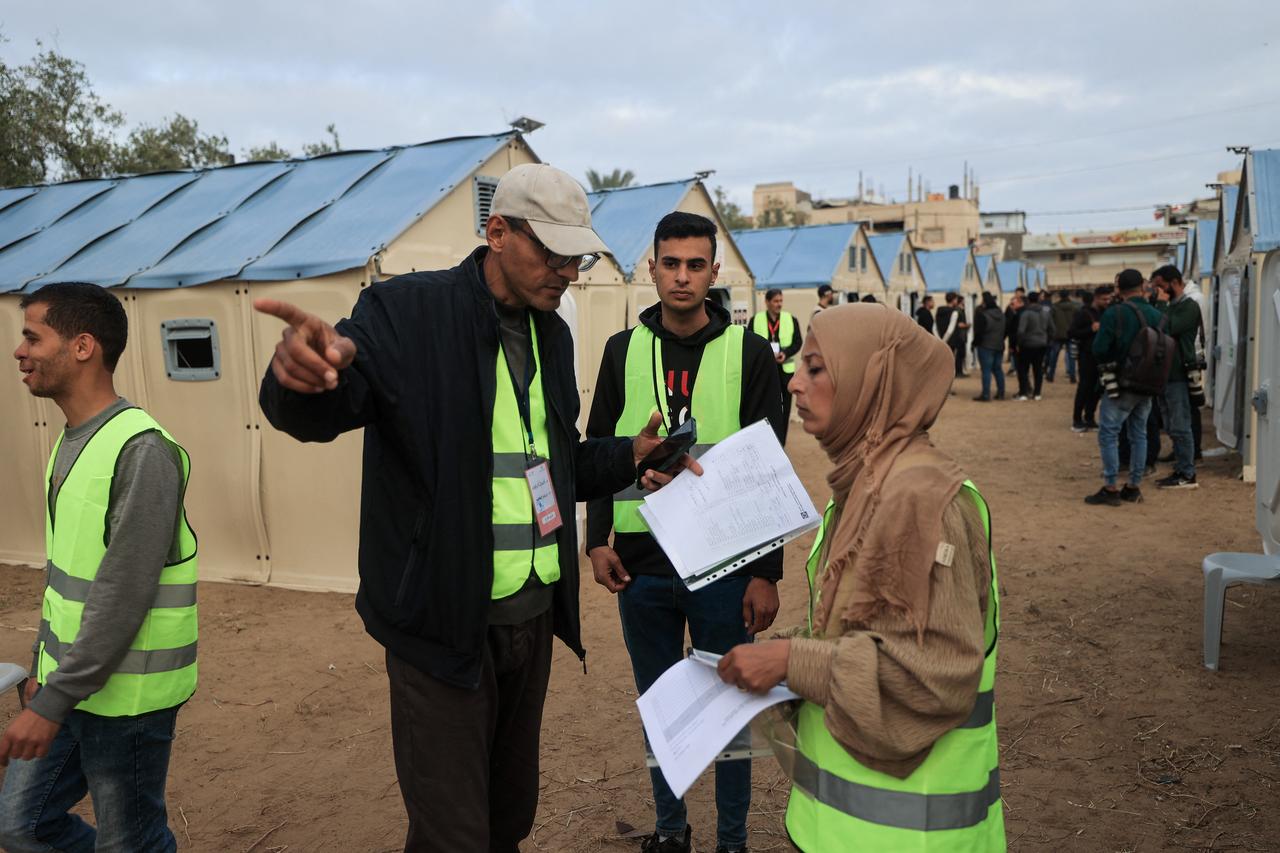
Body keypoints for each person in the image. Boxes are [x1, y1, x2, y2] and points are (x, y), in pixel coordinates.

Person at [255, 163, 695, 852]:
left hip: (531, 611)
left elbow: (549, 464)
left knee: (507, 817)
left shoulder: (552, 333)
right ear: (496, 231)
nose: (565, 271)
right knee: (452, 832)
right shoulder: (405, 312)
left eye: (574, 256)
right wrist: (301, 381)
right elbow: (327, 405)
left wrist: (630, 454)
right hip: (443, 622)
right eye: (549, 253)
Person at [714, 304, 1005, 852]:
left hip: (909, 836)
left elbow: (933, 675)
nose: (795, 384)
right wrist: (789, 667)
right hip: (843, 828)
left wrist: (788, 662)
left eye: (817, 369)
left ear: (875, 382)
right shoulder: (868, 486)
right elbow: (864, 635)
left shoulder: (920, 501)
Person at [586, 212, 783, 853]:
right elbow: (598, 450)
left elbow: (768, 471)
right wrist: (597, 540)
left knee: (731, 708)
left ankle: (732, 841)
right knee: (659, 709)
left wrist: (766, 573)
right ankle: (671, 832)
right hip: (642, 565)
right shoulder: (621, 352)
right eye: (671, 263)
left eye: (696, 264)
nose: (682, 276)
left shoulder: (749, 354)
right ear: (652, 268)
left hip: (725, 568)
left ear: (714, 273)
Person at [0, 283, 198, 853]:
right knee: (22, 825)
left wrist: (52, 701)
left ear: (83, 346)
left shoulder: (142, 450)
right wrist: (43, 668)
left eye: (33, 337)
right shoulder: (72, 440)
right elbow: (67, 577)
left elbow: (122, 593)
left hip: (127, 698)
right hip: (69, 683)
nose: (20, 351)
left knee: (128, 843)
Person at [1085, 268, 1163, 506]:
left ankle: (1110, 487)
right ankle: (1133, 486)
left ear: (1119, 289)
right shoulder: (1156, 314)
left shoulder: (1114, 313)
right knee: (1139, 433)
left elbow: (1099, 348)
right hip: (1148, 383)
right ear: (1142, 286)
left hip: (1122, 382)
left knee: (1109, 433)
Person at [1150, 265, 1202, 489]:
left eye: (1160, 286)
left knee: (1181, 426)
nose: (1157, 290)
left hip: (1179, 374)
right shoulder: (1172, 306)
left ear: (1173, 282)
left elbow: (1165, 328)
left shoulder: (1189, 307)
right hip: (1165, 375)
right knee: (1171, 425)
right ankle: (1180, 468)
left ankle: (1187, 474)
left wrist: (1160, 303)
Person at [751, 289, 802, 444]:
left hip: (785, 370)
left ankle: (781, 443)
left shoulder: (791, 319)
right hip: (765, 370)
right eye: (775, 301)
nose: (779, 304)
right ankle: (767, 442)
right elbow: (750, 343)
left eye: (781, 301)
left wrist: (785, 353)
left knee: (784, 410)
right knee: (767, 405)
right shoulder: (756, 319)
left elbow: (797, 342)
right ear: (767, 302)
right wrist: (766, 356)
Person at [1069, 285, 1112, 431]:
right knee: (1084, 387)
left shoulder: (1108, 313)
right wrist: (1090, 329)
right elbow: (1072, 332)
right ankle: (1077, 419)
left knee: (1097, 388)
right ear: (1096, 298)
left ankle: (1089, 417)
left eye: (1109, 298)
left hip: (1101, 356)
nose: (1107, 301)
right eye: (1104, 299)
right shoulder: (1083, 313)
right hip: (1086, 355)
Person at [1015, 291, 1051, 400]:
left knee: (1023, 369)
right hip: (1041, 344)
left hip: (1027, 344)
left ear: (1029, 300)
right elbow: (1052, 329)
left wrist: (1019, 343)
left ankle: (1023, 393)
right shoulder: (1046, 313)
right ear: (1039, 300)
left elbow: (1021, 331)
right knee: (1038, 369)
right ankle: (1037, 393)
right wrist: (1047, 340)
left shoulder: (1026, 313)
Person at [972, 291, 1007, 401]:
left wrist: (974, 344)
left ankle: (986, 394)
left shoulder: (983, 315)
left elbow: (979, 333)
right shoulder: (1001, 314)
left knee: (986, 371)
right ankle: (1001, 393)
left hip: (986, 346)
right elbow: (1006, 329)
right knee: (998, 370)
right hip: (999, 345)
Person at [1046, 289, 1079, 383]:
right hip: (1071, 334)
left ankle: (1051, 375)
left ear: (1060, 296)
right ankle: (1072, 376)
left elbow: (1050, 321)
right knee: (1071, 357)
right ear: (1068, 295)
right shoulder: (1074, 307)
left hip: (1057, 335)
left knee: (1054, 356)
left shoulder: (1055, 307)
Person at [935, 292, 969, 378]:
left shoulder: (939, 310)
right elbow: (950, 329)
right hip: (950, 341)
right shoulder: (954, 312)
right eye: (956, 299)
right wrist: (944, 341)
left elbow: (934, 326)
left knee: (941, 363)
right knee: (949, 363)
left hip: (939, 339)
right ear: (954, 300)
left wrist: (938, 339)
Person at [1005, 287, 1026, 376]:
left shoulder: (1025, 307)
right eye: (1016, 293)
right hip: (1013, 333)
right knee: (1013, 351)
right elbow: (1006, 319)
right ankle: (1013, 367)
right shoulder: (1010, 308)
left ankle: (1018, 368)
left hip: (1022, 334)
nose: (1017, 295)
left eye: (1019, 293)